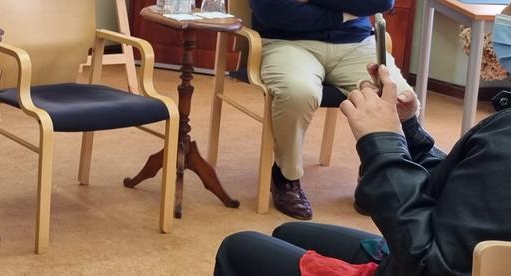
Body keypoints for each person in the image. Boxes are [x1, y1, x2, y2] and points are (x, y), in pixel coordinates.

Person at [214, 64, 511, 275]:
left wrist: (383, 146)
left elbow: (430, 265)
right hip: (436, 250)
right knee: (287, 233)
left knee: (237, 249)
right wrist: (408, 131)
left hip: (422, 260)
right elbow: (469, 190)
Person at [242, 0, 413, 220]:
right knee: (298, 92)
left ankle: (379, 176)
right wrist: (349, 5)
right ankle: (286, 176)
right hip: (288, 44)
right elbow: (272, 11)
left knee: (395, 95)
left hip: (355, 45)